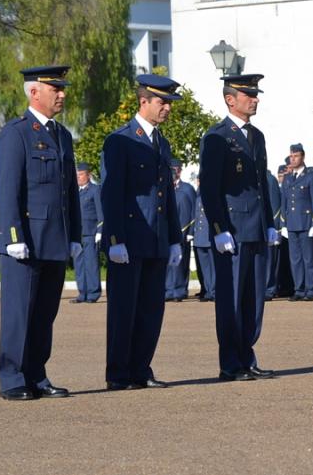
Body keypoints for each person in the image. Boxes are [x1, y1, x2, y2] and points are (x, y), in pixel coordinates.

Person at [0, 65, 82, 400]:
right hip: (26, 240)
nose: (62, 94)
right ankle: (11, 377)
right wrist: (14, 236)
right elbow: (7, 190)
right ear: (34, 92)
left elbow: (69, 190)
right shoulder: (15, 134)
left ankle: (36, 374)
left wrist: (74, 232)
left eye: (62, 89)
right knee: (19, 312)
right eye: (55, 89)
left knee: (45, 314)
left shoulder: (62, 135)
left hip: (54, 239)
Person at [101, 74, 183, 391]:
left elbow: (168, 195)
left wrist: (174, 237)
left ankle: (140, 368)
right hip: (130, 239)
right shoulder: (121, 140)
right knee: (124, 309)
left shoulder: (161, 142)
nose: (167, 109)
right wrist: (114, 239)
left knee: (151, 309)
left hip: (157, 238)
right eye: (162, 102)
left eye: (169, 103)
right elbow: (112, 194)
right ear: (143, 101)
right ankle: (118, 373)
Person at [198, 73, 278, 381]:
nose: (255, 98)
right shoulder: (217, 136)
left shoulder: (256, 136)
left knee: (254, 298)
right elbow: (210, 187)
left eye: (256, 94)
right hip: (232, 228)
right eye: (249, 94)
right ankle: (230, 362)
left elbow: (261, 185)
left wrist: (269, 223)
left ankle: (247, 356)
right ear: (230, 99)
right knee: (231, 300)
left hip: (255, 226)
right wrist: (219, 228)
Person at [280, 143, 313, 301]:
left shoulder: (310, 177)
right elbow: (284, 202)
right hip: (292, 224)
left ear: (303, 156)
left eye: (296, 155)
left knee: (309, 258)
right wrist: (283, 224)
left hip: (306, 224)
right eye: (291, 156)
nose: (293, 158)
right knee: (295, 259)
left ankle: (311, 289)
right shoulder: (288, 178)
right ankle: (299, 288)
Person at [165, 159, 196, 302]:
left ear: (180, 171)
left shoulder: (187, 189)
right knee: (167, 264)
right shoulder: (165, 189)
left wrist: (190, 231)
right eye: (171, 169)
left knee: (180, 265)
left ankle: (179, 290)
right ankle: (168, 290)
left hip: (183, 232)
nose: (173, 172)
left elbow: (193, 212)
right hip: (167, 233)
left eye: (176, 170)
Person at [71, 162, 103, 304]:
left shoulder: (95, 190)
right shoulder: (75, 192)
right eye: (77, 175)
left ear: (88, 175)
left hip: (91, 233)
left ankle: (93, 293)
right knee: (79, 265)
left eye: (81, 174)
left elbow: (101, 212)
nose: (78, 177)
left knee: (91, 264)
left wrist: (100, 230)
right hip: (78, 234)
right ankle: (82, 293)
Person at [192, 178, 216, 302]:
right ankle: (208, 290)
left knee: (213, 266)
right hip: (200, 235)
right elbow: (195, 215)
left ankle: (214, 290)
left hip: (209, 234)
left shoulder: (213, 194)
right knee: (205, 267)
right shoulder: (198, 195)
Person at [265, 167, 283, 300]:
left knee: (270, 260)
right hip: (259, 227)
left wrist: (275, 228)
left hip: (269, 227)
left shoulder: (270, 180)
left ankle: (269, 289)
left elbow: (275, 206)